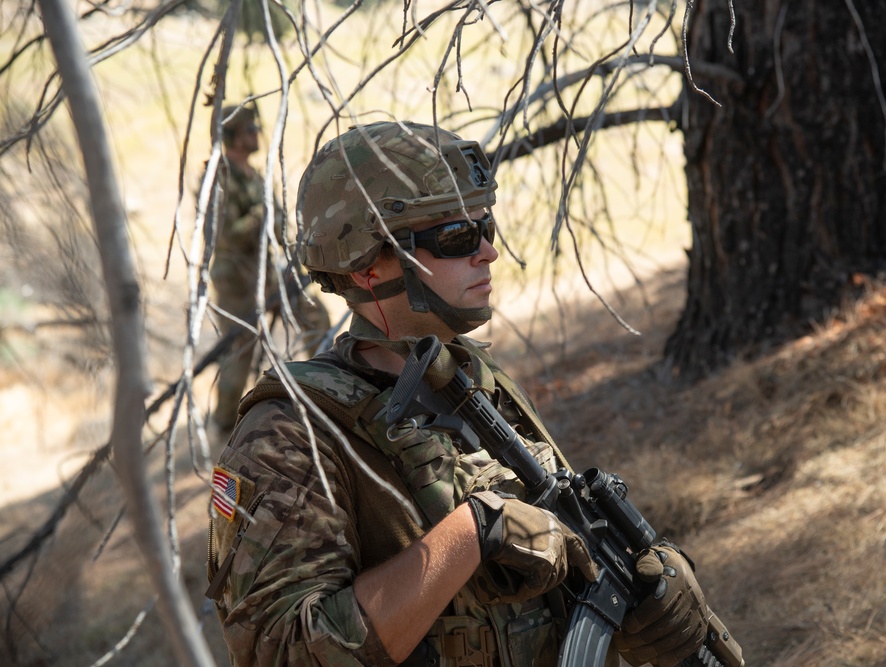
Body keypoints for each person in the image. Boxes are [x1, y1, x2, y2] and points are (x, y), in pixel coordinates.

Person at [205, 121, 710, 666]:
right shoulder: (290, 435)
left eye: (485, 226)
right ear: (370, 264)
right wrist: (473, 532)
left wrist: (635, 586)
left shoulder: (473, 378)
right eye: (456, 238)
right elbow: (279, 651)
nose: (489, 252)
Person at [208, 103, 331, 430]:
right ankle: (223, 424)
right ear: (233, 136)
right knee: (241, 349)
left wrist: (291, 257)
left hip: (268, 273)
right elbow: (226, 236)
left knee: (313, 313)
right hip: (237, 279)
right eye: (250, 129)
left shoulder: (254, 176)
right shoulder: (219, 178)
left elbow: (277, 227)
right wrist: (261, 214)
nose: (256, 134)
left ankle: (330, 386)